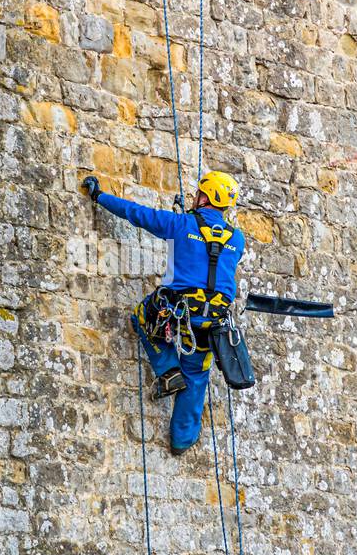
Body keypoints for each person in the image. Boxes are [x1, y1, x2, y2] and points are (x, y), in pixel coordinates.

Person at [81, 170, 244, 454]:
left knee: (141, 317)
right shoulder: (237, 239)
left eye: (199, 194)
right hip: (213, 323)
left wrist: (100, 195)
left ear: (205, 196)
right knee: (197, 372)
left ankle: (168, 370)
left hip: (179, 312)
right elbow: (209, 253)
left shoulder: (180, 224)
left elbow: (136, 214)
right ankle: (182, 438)